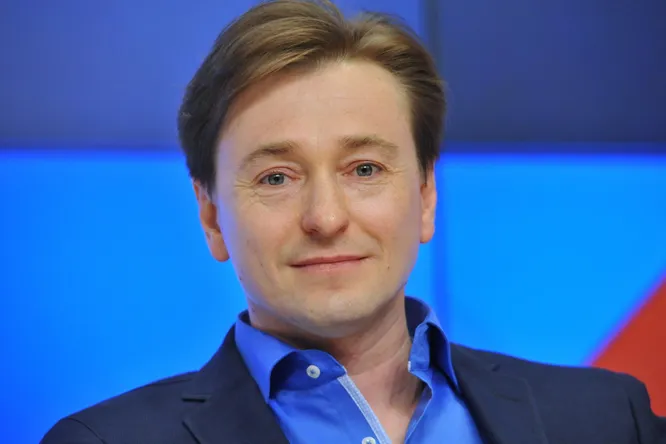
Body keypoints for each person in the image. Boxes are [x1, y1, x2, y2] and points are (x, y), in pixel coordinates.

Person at [42, 0, 666, 443]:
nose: (325, 217)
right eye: (276, 178)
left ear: (425, 196)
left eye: (364, 169)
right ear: (211, 217)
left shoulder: (610, 420)